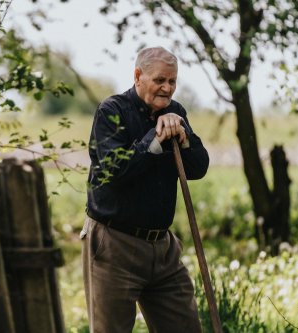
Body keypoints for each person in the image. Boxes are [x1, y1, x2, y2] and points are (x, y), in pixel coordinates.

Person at [81, 46, 209, 332]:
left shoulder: (176, 112)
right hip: (114, 244)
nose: (167, 88)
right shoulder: (112, 111)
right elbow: (116, 172)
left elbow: (198, 168)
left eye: (172, 81)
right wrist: (155, 137)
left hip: (163, 247)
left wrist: (183, 136)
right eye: (160, 80)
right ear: (138, 76)